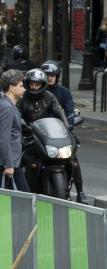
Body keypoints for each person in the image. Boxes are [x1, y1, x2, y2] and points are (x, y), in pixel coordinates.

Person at [42, 60, 88, 204]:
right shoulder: (38, 92)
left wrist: (70, 124)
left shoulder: (64, 92)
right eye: (47, 75)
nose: (50, 78)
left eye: (52, 75)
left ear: (57, 76)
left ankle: (80, 192)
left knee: (74, 159)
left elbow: (69, 113)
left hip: (62, 132)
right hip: (43, 134)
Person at [0, 69, 29, 192]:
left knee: (3, 200)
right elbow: (4, 138)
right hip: (7, 164)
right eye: (21, 86)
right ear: (12, 88)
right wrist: (8, 165)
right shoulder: (7, 108)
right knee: (23, 198)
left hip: (5, 162)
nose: (24, 89)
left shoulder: (5, 105)